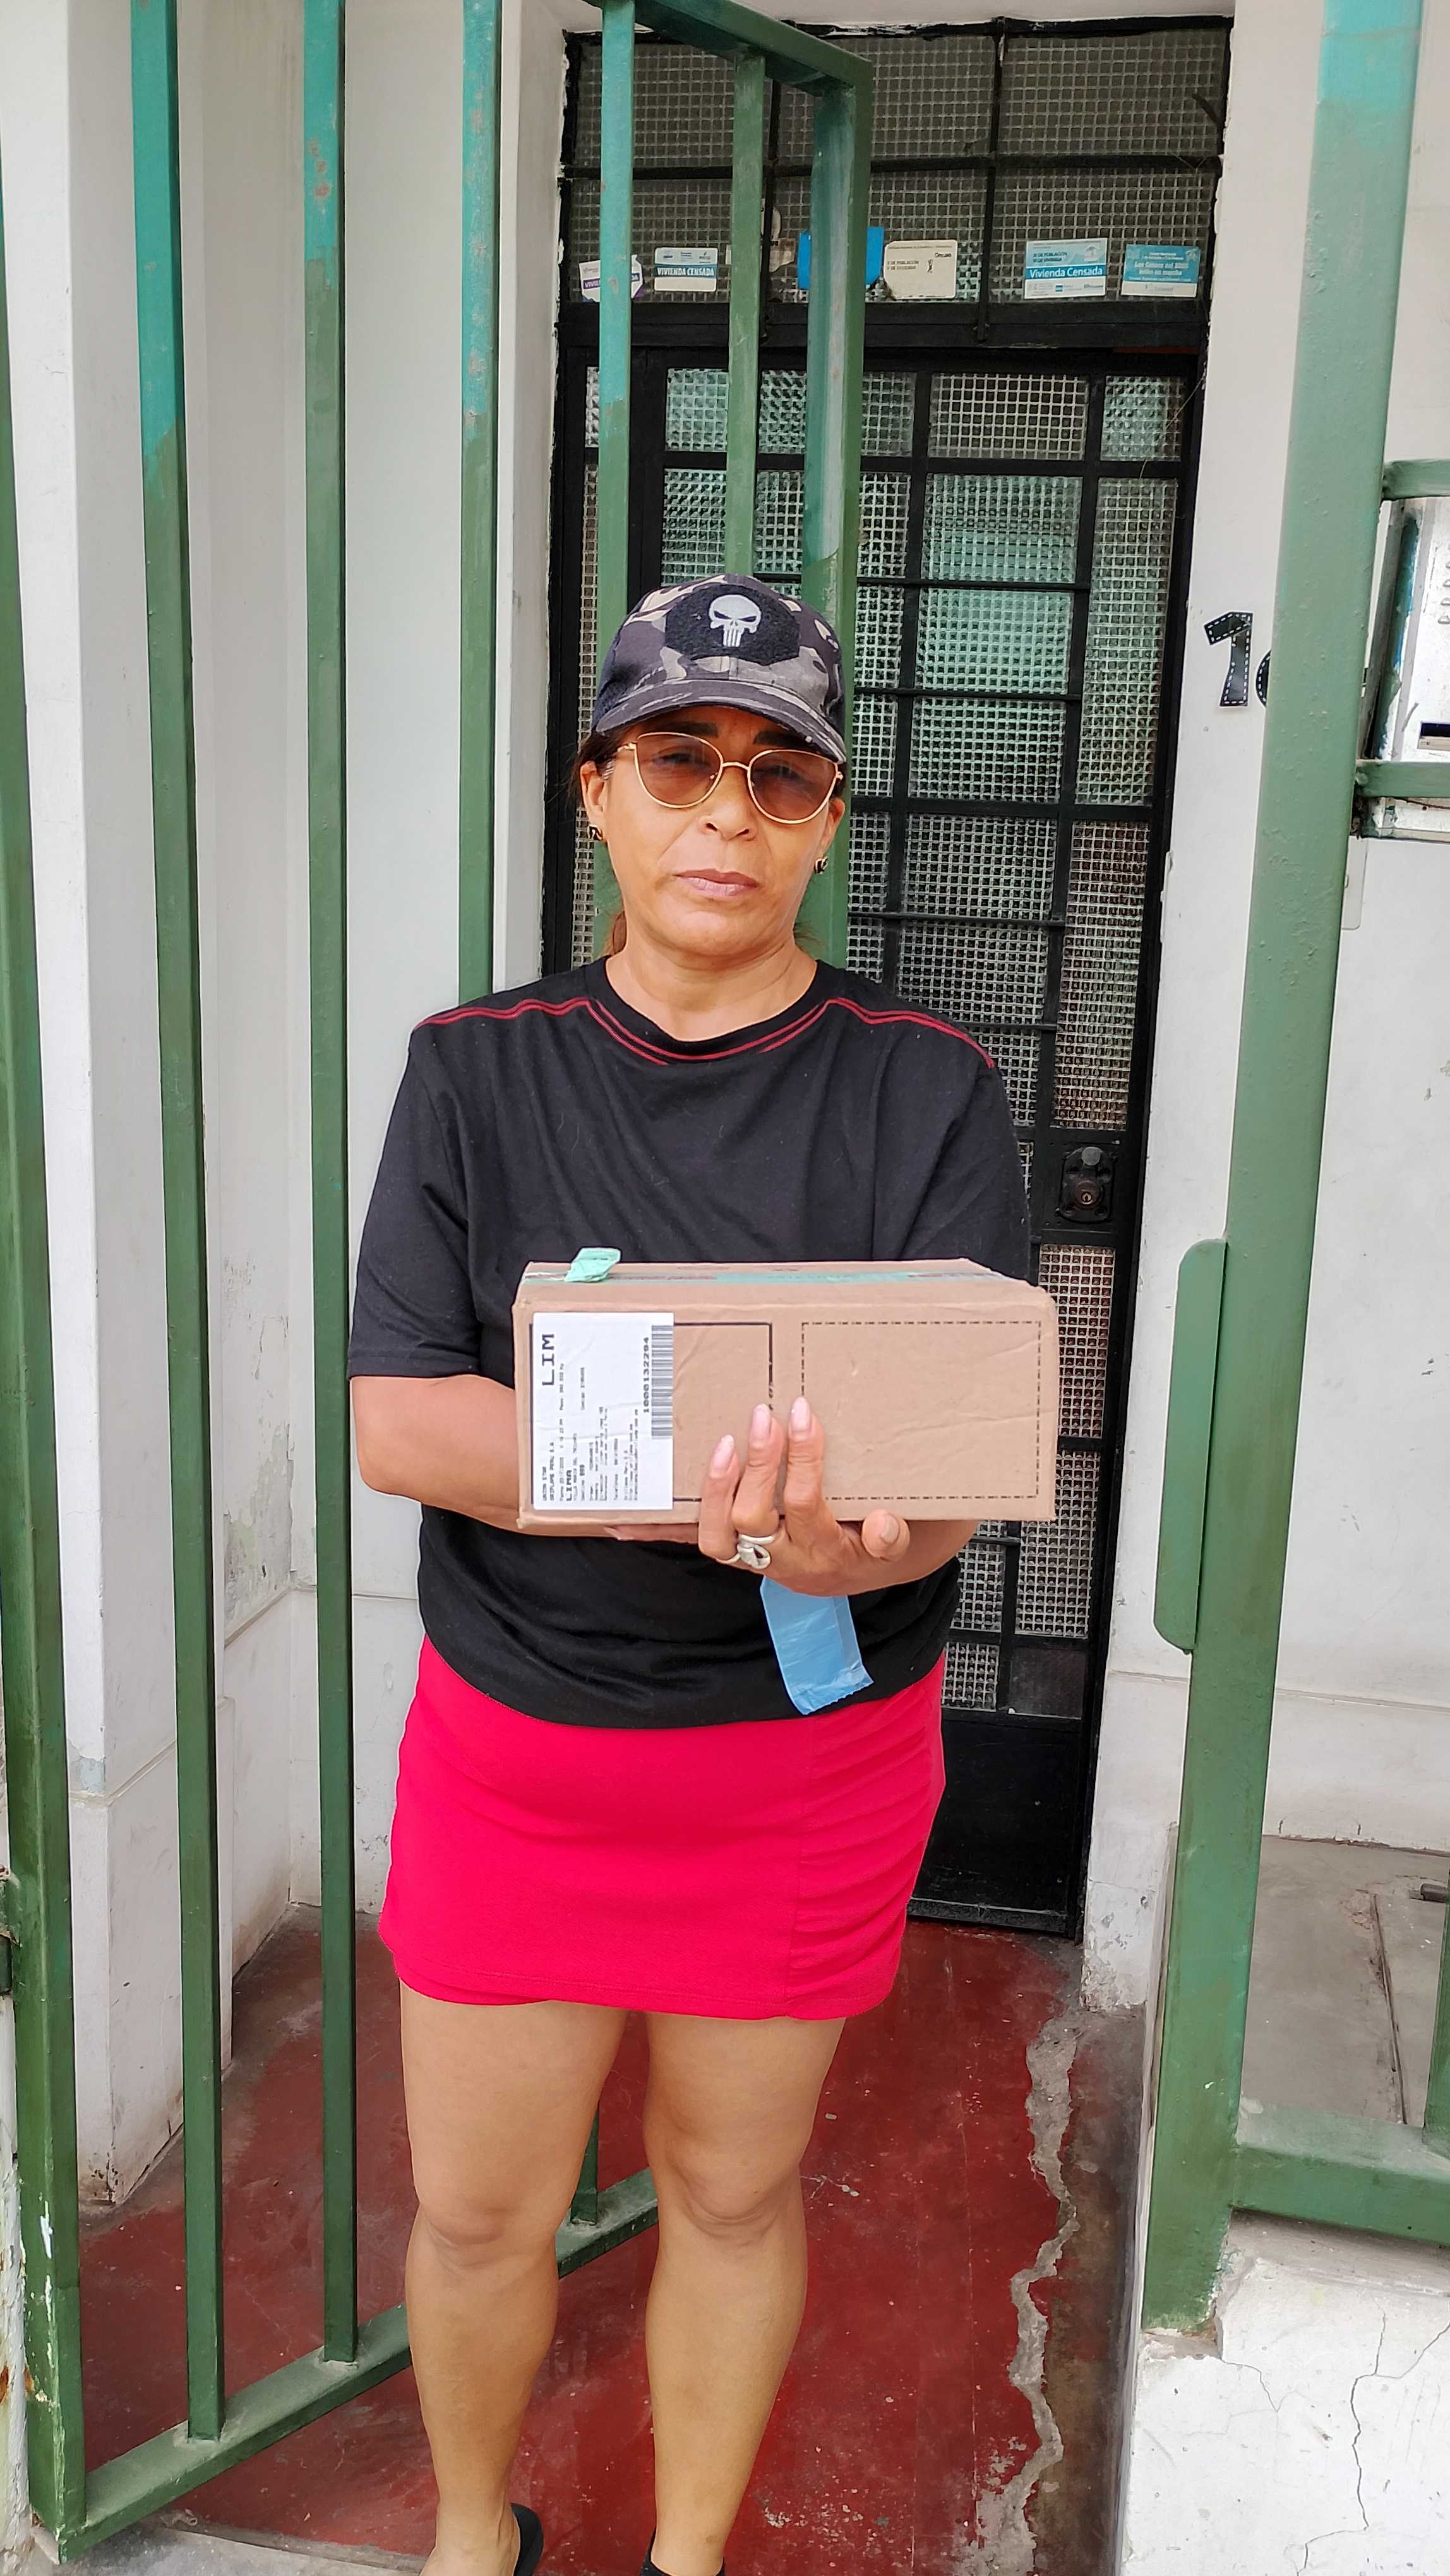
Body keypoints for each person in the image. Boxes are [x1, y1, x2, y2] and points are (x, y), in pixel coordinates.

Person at [348, 573, 1028, 2576]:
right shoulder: (478, 1068)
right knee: (480, 2210)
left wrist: (853, 1534)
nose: (727, 811)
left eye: (779, 774)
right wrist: (688, 1479)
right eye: (679, 761)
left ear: (828, 820)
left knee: (732, 2193)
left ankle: (686, 2557)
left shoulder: (925, 1084)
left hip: (802, 1760)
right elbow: (402, 1422)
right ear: (597, 793)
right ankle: (472, 2539)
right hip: (523, 1748)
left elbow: (954, 1460)